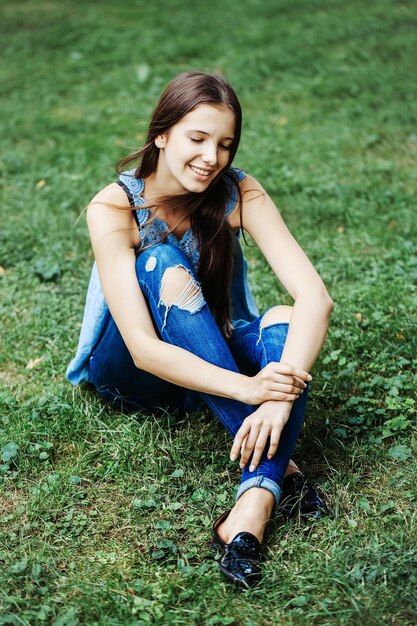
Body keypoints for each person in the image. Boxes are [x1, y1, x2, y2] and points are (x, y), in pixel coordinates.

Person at [66, 71, 334, 588]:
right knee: (161, 262)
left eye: (225, 144)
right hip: (134, 374)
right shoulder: (114, 206)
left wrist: (276, 400)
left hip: (213, 354)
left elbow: (315, 299)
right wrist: (250, 388)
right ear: (162, 134)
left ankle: (252, 507)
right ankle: (285, 469)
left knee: (283, 327)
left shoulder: (236, 191)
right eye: (197, 138)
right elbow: (143, 349)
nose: (211, 157)